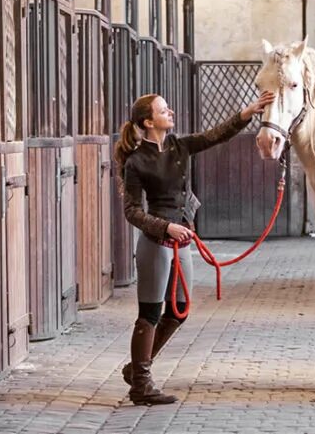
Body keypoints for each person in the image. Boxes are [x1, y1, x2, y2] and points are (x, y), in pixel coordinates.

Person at [114, 90, 275, 405]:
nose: (170, 112)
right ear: (148, 121)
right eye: (163, 110)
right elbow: (132, 211)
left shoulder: (179, 146)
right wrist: (165, 227)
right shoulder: (136, 161)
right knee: (149, 313)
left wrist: (248, 112)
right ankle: (141, 385)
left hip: (181, 241)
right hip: (156, 244)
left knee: (178, 312)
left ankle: (135, 369)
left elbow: (217, 135)